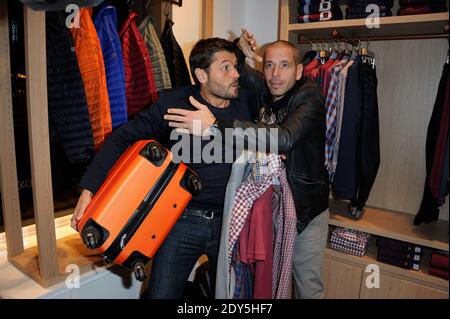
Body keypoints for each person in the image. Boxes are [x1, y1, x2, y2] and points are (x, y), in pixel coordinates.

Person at [71, 37, 256, 299]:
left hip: (232, 220)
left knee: (235, 298)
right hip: (181, 218)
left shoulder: (247, 102)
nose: (236, 74)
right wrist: (90, 187)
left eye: (236, 66)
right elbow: (123, 138)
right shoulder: (174, 103)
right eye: (226, 67)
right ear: (202, 74)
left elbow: (275, 136)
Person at [165, 30, 330, 299]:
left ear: (299, 70)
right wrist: (238, 51)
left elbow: (285, 138)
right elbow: (234, 72)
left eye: (284, 65)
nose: (275, 73)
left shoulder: (310, 97)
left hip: (304, 210)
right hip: (269, 208)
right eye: (269, 65)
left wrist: (216, 127)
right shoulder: (269, 90)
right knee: (271, 284)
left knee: (307, 286)